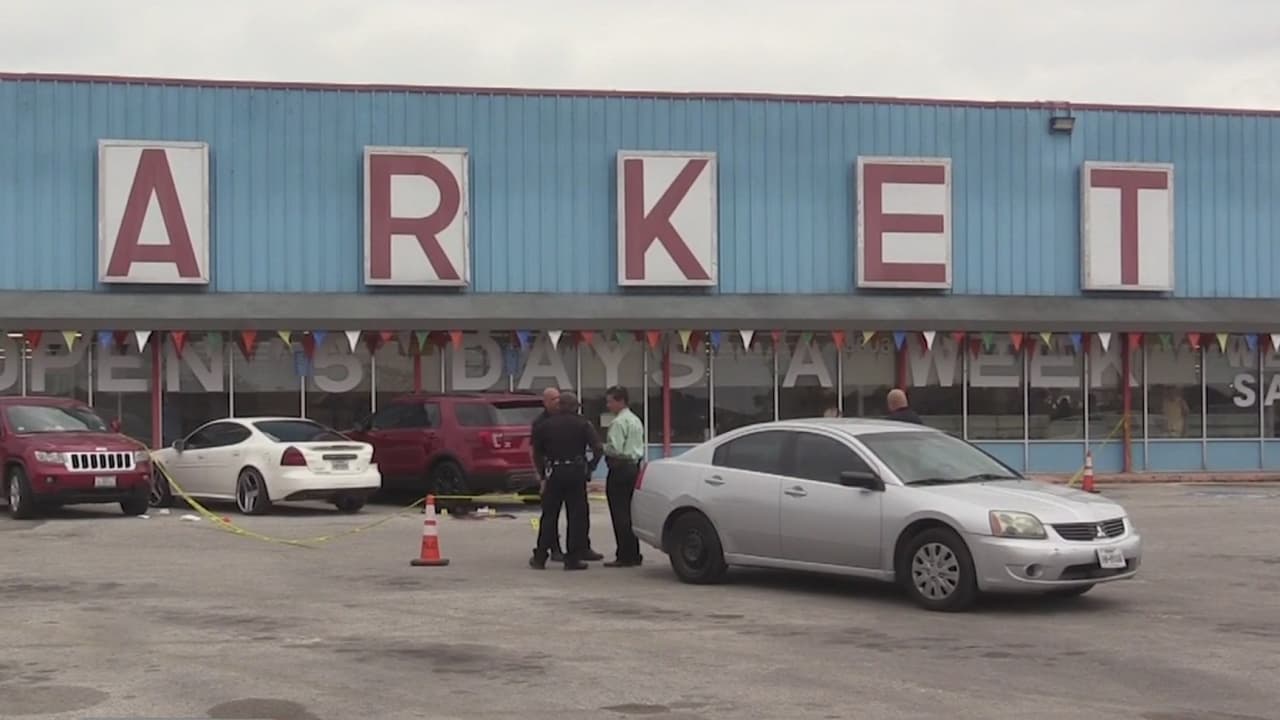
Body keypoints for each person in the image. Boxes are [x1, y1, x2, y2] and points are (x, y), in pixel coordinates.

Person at [529, 391, 603, 570]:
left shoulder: (545, 425)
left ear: (560, 406)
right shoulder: (583, 424)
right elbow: (598, 448)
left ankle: (540, 557)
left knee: (549, 516)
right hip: (576, 473)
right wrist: (590, 467)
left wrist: (542, 474)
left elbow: (537, 452)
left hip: (554, 473)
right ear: (575, 407)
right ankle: (572, 559)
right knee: (576, 516)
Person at [601, 386, 645, 568]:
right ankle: (634, 553)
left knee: (619, 513)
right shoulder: (635, 420)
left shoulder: (618, 423)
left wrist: (602, 448)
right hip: (633, 467)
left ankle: (624, 554)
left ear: (620, 401)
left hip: (620, 469)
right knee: (630, 512)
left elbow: (615, 448)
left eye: (610, 401)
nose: (608, 405)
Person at [530, 387, 566, 561]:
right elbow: (536, 452)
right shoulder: (540, 423)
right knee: (550, 513)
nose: (557, 402)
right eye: (553, 399)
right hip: (549, 471)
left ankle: (580, 547)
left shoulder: (564, 417)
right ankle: (553, 549)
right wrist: (542, 476)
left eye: (559, 398)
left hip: (566, 470)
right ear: (545, 402)